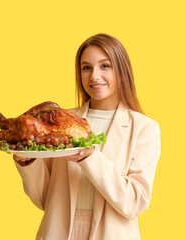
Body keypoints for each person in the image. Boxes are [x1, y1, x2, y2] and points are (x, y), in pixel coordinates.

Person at [13, 33, 161, 240]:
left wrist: (90, 158)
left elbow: (134, 203)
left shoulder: (144, 128)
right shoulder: (60, 122)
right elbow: (44, 198)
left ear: (122, 71)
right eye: (86, 67)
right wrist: (27, 161)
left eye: (105, 66)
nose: (94, 76)